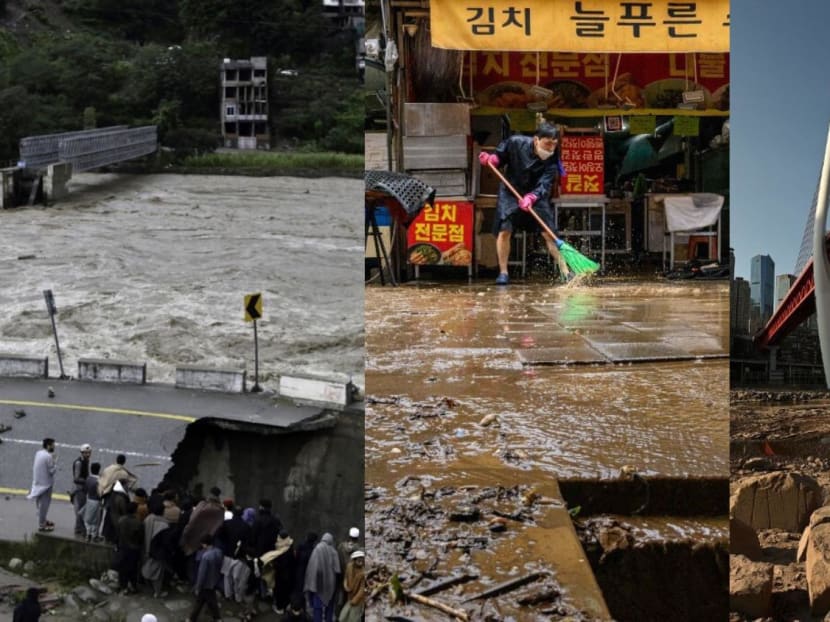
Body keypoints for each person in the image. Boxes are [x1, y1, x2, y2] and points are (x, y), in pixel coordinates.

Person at [479, 122, 572, 285]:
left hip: (536, 196)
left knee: (548, 233)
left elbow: (545, 184)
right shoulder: (516, 142)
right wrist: (492, 159)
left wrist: (532, 197)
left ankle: (565, 272)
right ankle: (503, 272)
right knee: (505, 230)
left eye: (554, 144)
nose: (550, 148)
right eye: (547, 143)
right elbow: (501, 156)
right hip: (511, 191)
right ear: (536, 140)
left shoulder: (552, 160)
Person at [186, 534, 224, 622]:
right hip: (214, 580)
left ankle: (216, 618)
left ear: (204, 544)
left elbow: (201, 574)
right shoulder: (219, 552)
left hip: (206, 583)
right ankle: (193, 618)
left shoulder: (206, 556)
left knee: (205, 601)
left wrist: (197, 586)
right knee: (204, 600)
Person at [304, 532, 341, 622]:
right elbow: (337, 570)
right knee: (330, 606)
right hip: (330, 585)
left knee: (317, 607)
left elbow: (312, 568)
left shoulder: (317, 549)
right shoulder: (333, 551)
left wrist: (311, 584)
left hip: (319, 584)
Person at [27, 438, 57, 532]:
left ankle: (43, 520)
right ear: (48, 445)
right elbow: (52, 471)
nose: (54, 446)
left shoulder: (38, 453)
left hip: (37, 483)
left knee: (39, 504)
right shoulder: (48, 456)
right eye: (53, 445)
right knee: (44, 505)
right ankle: (42, 525)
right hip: (46, 485)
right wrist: (55, 461)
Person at [114, 501, 143, 594]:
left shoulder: (121, 520)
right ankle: (133, 586)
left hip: (122, 547)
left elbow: (117, 535)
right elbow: (141, 537)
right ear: (135, 511)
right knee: (133, 569)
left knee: (122, 569)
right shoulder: (138, 522)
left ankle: (123, 586)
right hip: (134, 549)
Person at [335, 528, 360, 608]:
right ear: (357, 538)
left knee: (341, 593)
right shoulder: (359, 549)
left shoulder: (341, 546)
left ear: (349, 536)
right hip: (353, 576)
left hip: (341, 574)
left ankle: (339, 611)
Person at [338, 551, 365, 622]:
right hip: (349, 597)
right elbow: (346, 578)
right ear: (354, 559)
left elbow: (362, 589)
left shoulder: (364, 572)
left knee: (353, 619)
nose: (360, 560)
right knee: (342, 618)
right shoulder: (349, 566)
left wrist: (355, 600)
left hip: (358, 601)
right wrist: (346, 586)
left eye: (362, 558)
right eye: (358, 559)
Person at [71, 443, 92, 537]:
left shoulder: (86, 461)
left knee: (81, 509)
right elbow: (76, 478)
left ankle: (79, 528)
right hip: (78, 489)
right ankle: (79, 529)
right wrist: (87, 480)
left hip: (83, 489)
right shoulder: (79, 463)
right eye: (85, 453)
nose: (87, 454)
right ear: (82, 453)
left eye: (89, 452)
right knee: (80, 510)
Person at [82, 462, 102, 541]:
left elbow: (85, 490)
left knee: (87, 519)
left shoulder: (88, 479)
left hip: (89, 499)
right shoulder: (99, 481)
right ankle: (94, 535)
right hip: (97, 501)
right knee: (95, 520)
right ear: (99, 470)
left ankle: (88, 533)